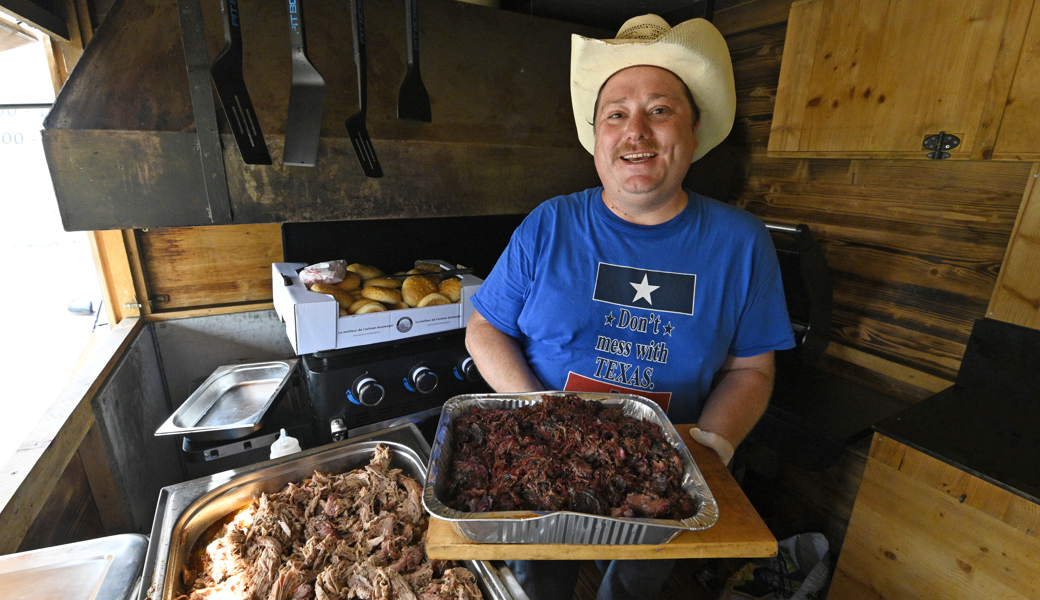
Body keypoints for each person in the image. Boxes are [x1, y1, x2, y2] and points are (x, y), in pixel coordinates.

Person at [465, 13, 796, 600]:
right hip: (545, 460)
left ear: (694, 131)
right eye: (616, 114)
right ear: (597, 138)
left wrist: (711, 449)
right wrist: (539, 415)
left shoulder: (742, 243)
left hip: (665, 474)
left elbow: (751, 369)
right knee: (541, 579)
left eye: (660, 110)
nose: (635, 131)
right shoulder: (550, 224)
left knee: (636, 583)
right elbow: (486, 328)